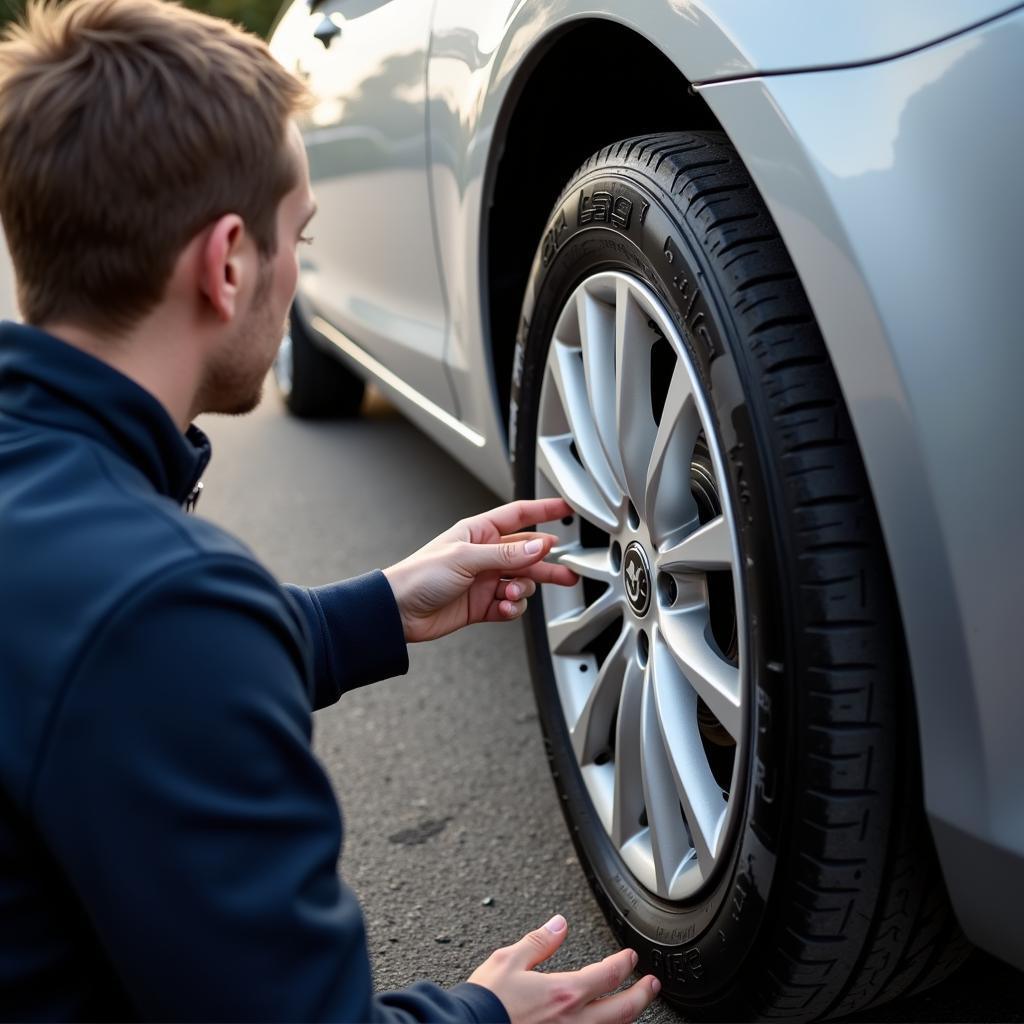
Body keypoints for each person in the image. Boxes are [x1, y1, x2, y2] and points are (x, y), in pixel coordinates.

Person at [0, 1, 662, 1021]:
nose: (299, 274)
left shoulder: (58, 521)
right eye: (296, 238)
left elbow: (99, 672)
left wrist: (381, 605)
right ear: (226, 263)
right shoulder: (160, 609)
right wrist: (482, 1014)